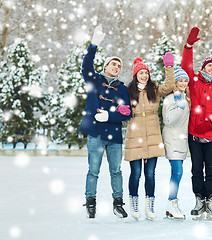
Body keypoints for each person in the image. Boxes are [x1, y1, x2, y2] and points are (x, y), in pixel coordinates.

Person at [79, 25, 132, 219]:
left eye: (119, 66)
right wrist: (93, 46)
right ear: (105, 66)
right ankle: (90, 202)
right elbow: (85, 66)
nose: (116, 67)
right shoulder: (94, 80)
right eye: (113, 64)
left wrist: (110, 116)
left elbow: (127, 112)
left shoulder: (122, 88)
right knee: (93, 171)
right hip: (96, 134)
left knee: (116, 171)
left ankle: (118, 203)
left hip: (115, 136)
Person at [181, 27, 212, 220]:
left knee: (211, 168)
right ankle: (198, 199)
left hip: (211, 135)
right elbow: (186, 68)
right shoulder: (194, 81)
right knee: (196, 169)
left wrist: (210, 125)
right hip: (194, 134)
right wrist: (188, 47)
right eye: (209, 66)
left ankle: (210, 199)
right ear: (203, 68)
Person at [124, 53, 175, 221]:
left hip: (153, 136)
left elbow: (169, 86)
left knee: (150, 174)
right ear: (135, 75)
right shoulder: (128, 90)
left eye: (146, 72)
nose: (144, 75)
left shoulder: (154, 89)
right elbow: (117, 102)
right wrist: (121, 109)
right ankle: (134, 202)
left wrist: (169, 67)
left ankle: (149, 205)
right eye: (141, 73)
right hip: (135, 134)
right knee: (136, 173)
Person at [162, 67, 190, 220]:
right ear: (175, 82)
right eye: (180, 80)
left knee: (177, 173)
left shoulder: (185, 98)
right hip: (172, 139)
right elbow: (168, 121)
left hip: (182, 140)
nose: (183, 83)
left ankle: (171, 204)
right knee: (177, 172)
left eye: (185, 81)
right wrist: (180, 107)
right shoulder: (169, 99)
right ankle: (172, 202)